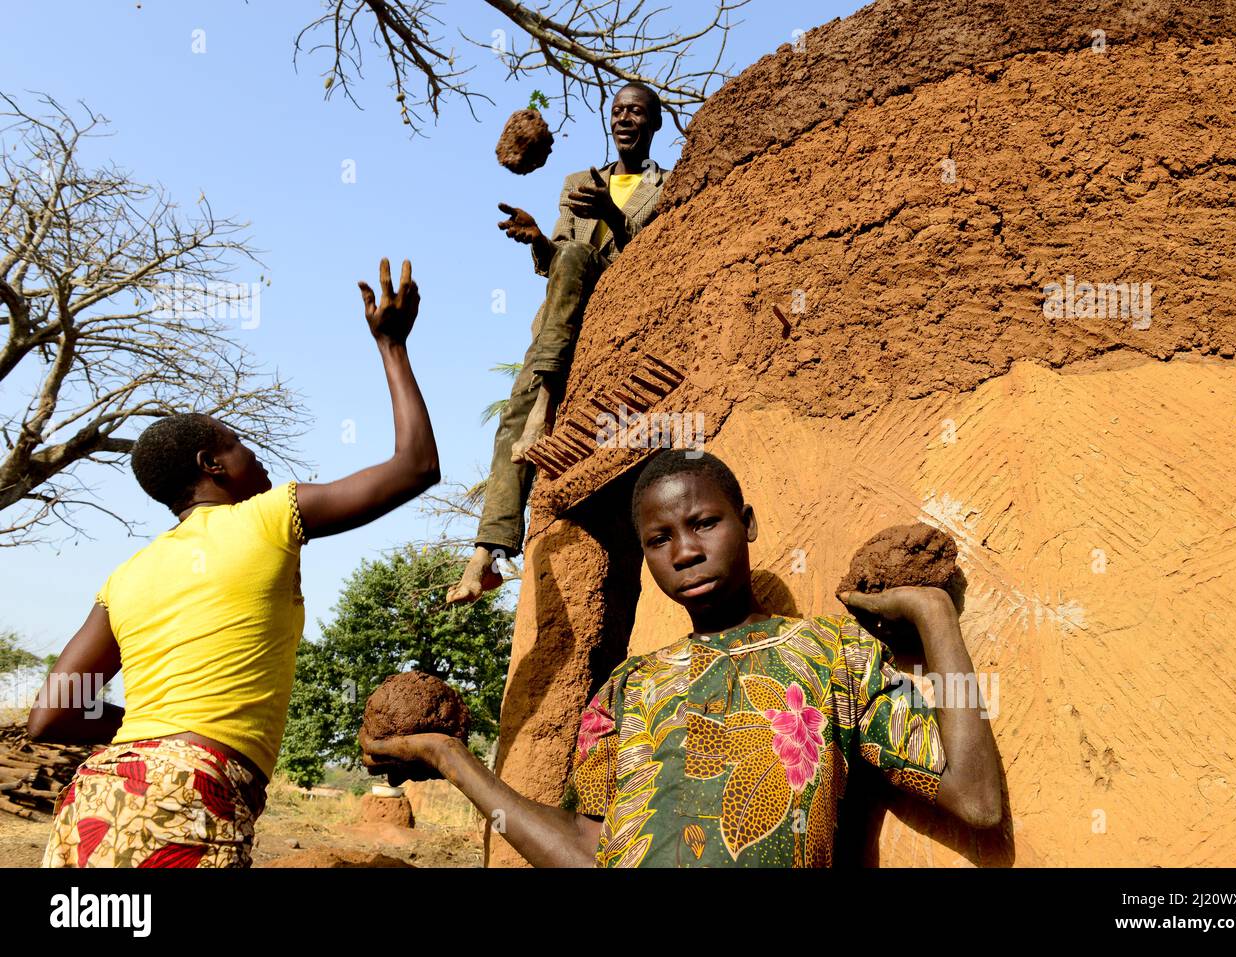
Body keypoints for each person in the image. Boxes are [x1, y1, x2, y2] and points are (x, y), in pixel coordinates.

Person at [363, 450, 1003, 867]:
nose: (685, 551)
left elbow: (976, 801)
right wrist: (448, 756)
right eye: (659, 539)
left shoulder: (832, 654)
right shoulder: (626, 688)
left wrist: (934, 616)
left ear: (747, 523)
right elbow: (590, 850)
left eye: (704, 523)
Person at [29, 258, 438, 868]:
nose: (261, 461)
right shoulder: (270, 515)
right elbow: (416, 468)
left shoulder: (127, 575)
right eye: (243, 446)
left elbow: (50, 713)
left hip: (93, 803)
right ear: (211, 464)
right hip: (188, 799)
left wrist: (151, 731)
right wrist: (392, 346)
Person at [447, 82, 670, 606]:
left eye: (636, 111)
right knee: (512, 415)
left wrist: (613, 220)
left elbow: (657, 258)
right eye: (616, 111)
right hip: (562, 317)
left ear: (654, 123)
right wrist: (537, 239)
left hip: (617, 303)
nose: (624, 119)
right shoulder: (578, 181)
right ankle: (487, 551)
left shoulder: (668, 186)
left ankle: (545, 402)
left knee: (572, 263)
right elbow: (556, 263)